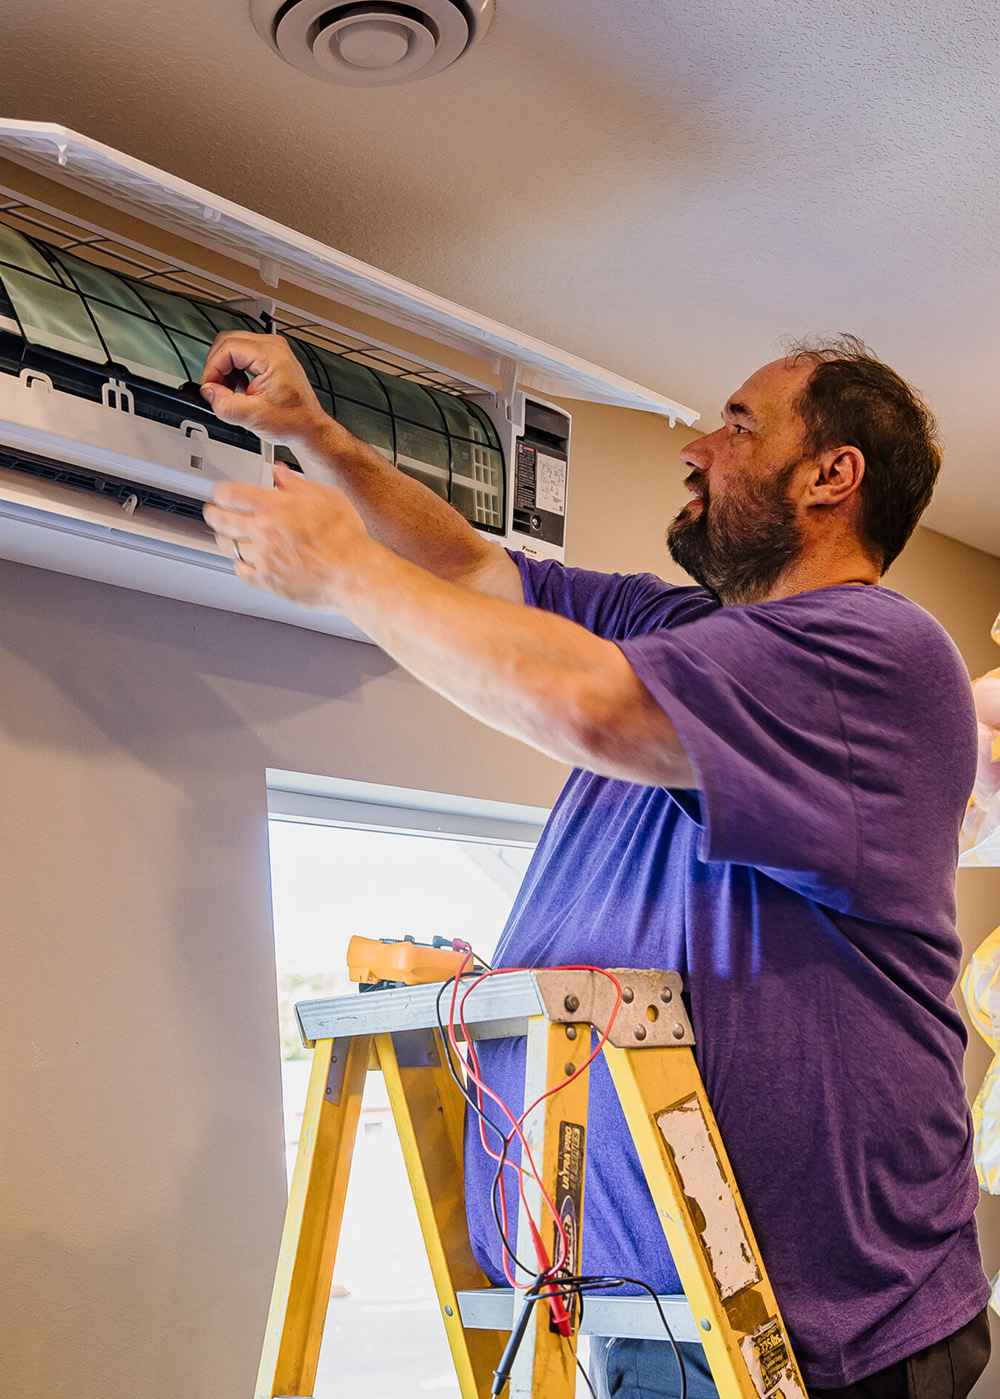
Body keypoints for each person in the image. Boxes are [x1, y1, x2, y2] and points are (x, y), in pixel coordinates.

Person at [200, 332, 992, 1399]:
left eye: (738, 424)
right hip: (646, 1313)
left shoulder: (875, 653)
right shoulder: (679, 624)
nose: (698, 449)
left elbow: (591, 704)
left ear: (830, 474)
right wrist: (318, 436)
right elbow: (473, 573)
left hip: (819, 1336)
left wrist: (345, 568)